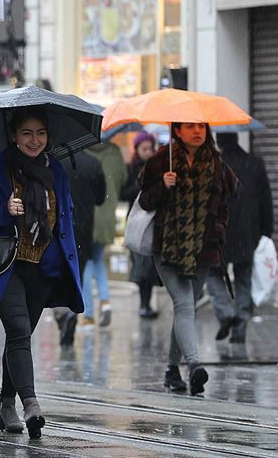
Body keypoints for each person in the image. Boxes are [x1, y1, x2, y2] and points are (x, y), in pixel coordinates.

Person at [0, 107, 84, 438]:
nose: (35, 141)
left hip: (43, 269)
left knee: (19, 338)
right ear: (14, 137)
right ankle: (31, 404)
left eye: (41, 133)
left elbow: (64, 217)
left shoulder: (56, 170)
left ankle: (6, 403)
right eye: (27, 133)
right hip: (6, 266)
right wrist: (3, 210)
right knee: (18, 331)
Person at [138, 122, 236, 396]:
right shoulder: (163, 158)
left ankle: (172, 370)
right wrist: (162, 186)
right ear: (177, 131)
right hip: (166, 246)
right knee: (184, 304)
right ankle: (194, 365)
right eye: (190, 127)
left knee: (187, 308)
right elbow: (144, 200)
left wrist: (218, 229)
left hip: (203, 247)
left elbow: (227, 201)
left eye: (200, 127)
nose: (197, 131)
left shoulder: (216, 162)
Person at [205, 132, 272, 344]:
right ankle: (240, 327)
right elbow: (266, 200)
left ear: (220, 142)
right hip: (247, 233)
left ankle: (225, 313)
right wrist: (266, 231)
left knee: (213, 275)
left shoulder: (214, 164)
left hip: (219, 232)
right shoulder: (255, 163)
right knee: (244, 279)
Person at [55, 150, 105, 345]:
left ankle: (62, 314)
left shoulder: (55, 163)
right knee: (78, 274)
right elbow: (101, 198)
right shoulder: (94, 163)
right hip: (84, 228)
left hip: (60, 227)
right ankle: (73, 313)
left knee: (58, 274)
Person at [82, 140, 127, 327]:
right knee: (98, 260)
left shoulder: (82, 150)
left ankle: (88, 314)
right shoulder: (115, 152)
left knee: (85, 263)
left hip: (87, 214)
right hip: (108, 214)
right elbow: (123, 178)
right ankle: (105, 301)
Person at [120, 131, 160, 318]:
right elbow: (123, 193)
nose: (148, 152)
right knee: (140, 264)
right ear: (137, 149)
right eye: (144, 148)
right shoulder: (131, 168)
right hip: (136, 222)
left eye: (150, 148)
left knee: (150, 265)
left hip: (153, 221)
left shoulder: (158, 168)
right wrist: (140, 185)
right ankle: (144, 304)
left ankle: (146, 304)